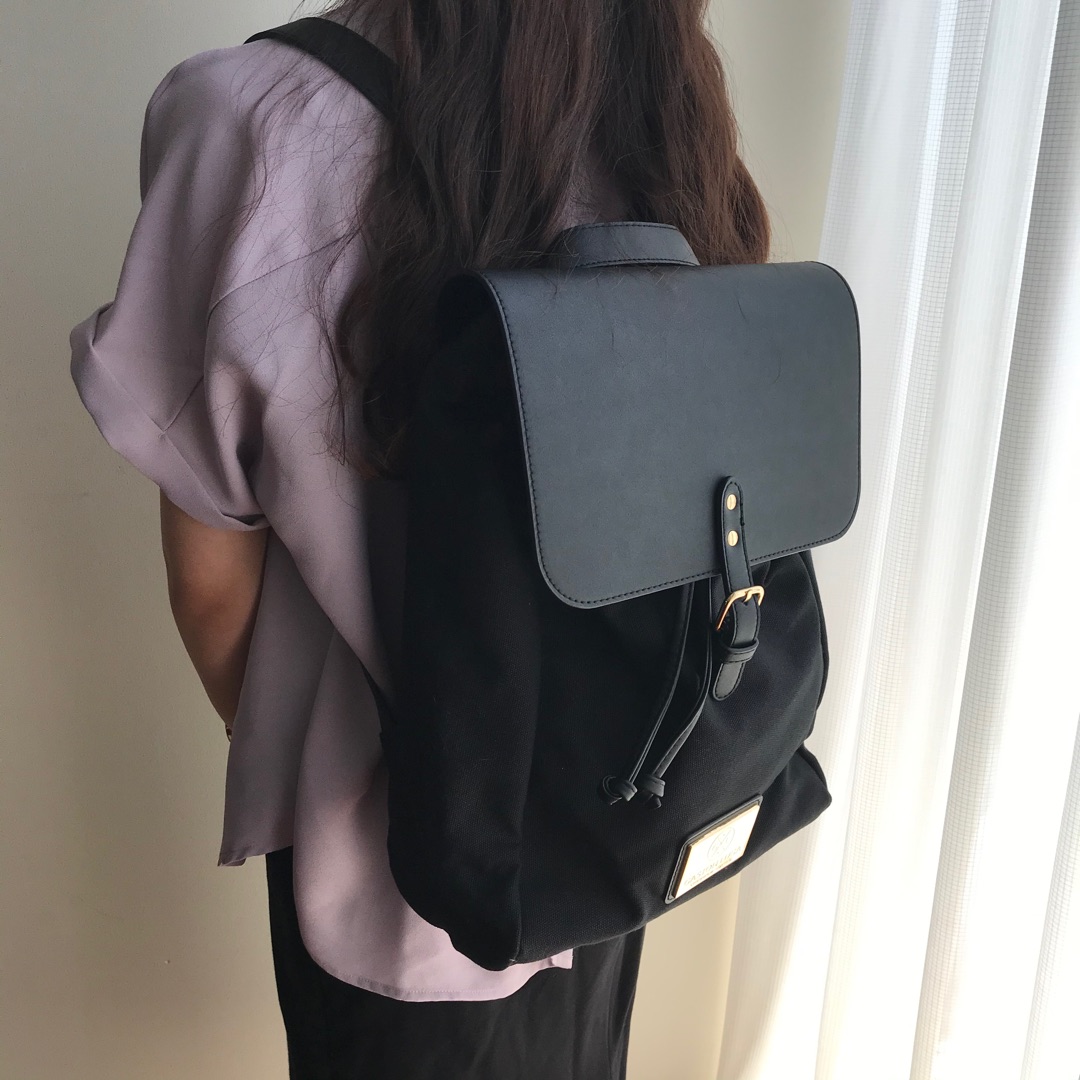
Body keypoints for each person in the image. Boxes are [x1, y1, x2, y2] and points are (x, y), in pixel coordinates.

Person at [69, 0, 770, 1075]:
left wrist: (332, 755)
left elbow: (212, 588)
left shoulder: (244, 119)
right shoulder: (662, 109)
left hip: (381, 871)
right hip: (620, 821)